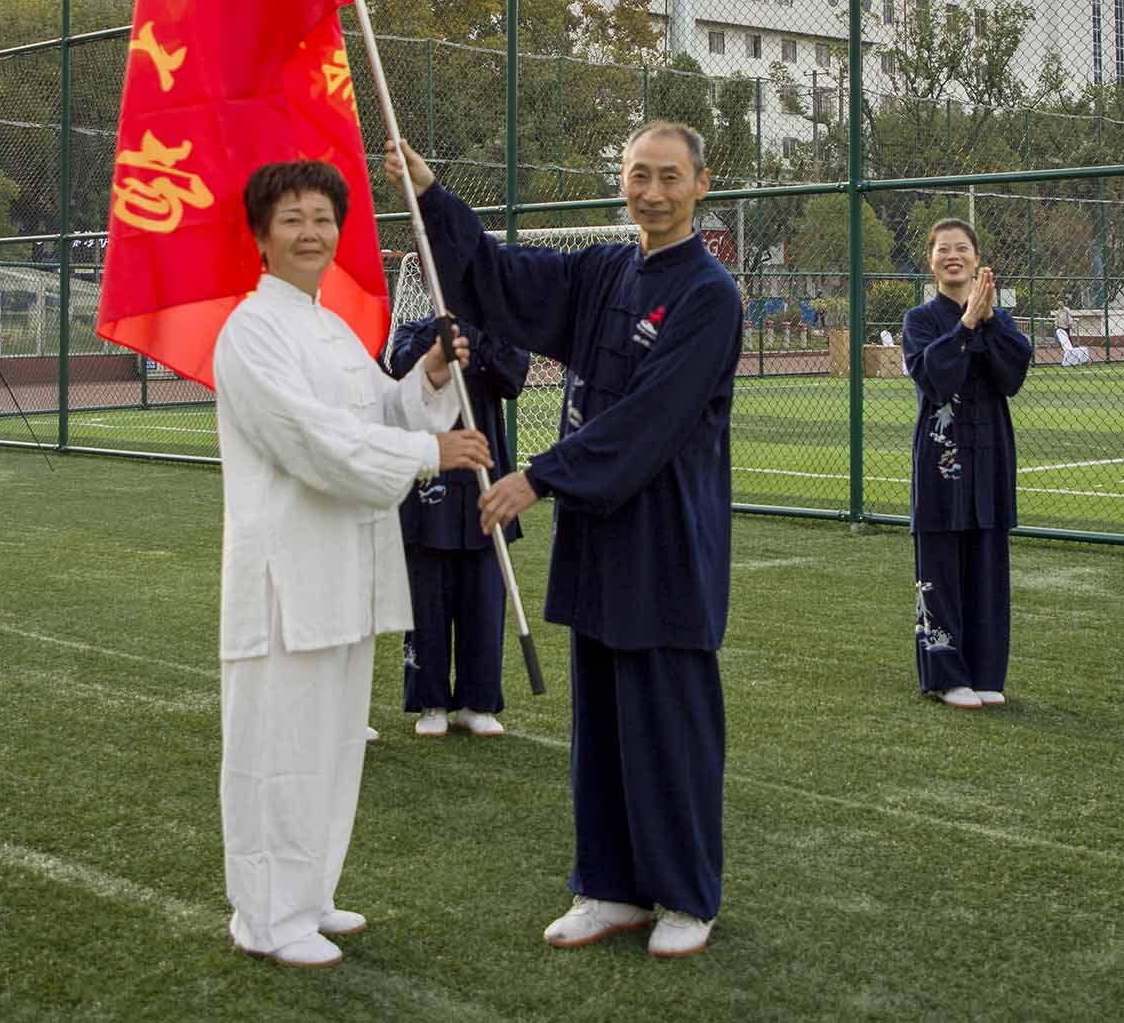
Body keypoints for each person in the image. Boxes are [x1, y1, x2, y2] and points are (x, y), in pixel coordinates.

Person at [385, 122, 742, 960]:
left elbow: (650, 419)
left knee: (669, 723)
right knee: (604, 722)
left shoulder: (710, 296)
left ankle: (687, 894)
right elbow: (504, 281)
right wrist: (434, 197)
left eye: (668, 178)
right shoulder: (603, 270)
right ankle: (609, 888)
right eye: (637, 176)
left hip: (668, 546)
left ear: (700, 185)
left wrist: (538, 475)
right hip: (598, 538)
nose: (651, 192)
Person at [213, 160, 491, 968]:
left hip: (345, 566)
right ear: (261, 236)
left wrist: (430, 377)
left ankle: (308, 894)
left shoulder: (331, 324)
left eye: (323, 219)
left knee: (332, 744)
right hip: (284, 572)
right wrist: (424, 450)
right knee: (276, 747)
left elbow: (379, 408)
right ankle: (263, 916)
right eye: (292, 219)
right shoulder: (252, 330)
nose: (311, 233)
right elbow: (309, 439)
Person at [902, 218, 1032, 711]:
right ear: (931, 261)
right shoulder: (919, 321)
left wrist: (987, 320)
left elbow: (1012, 374)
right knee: (940, 567)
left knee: (988, 566)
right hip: (940, 459)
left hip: (990, 458)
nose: (953, 256)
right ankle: (944, 674)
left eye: (962, 249)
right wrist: (966, 326)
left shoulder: (1002, 320)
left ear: (977, 260)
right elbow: (936, 378)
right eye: (943, 250)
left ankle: (985, 672)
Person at [383, 315, 530, 738]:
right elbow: (401, 368)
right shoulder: (415, 330)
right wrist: (441, 344)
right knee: (426, 598)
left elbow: (513, 377)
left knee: (484, 597)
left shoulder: (497, 328)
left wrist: (478, 334)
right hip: (430, 484)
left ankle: (477, 701)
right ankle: (430, 701)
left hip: (484, 479)